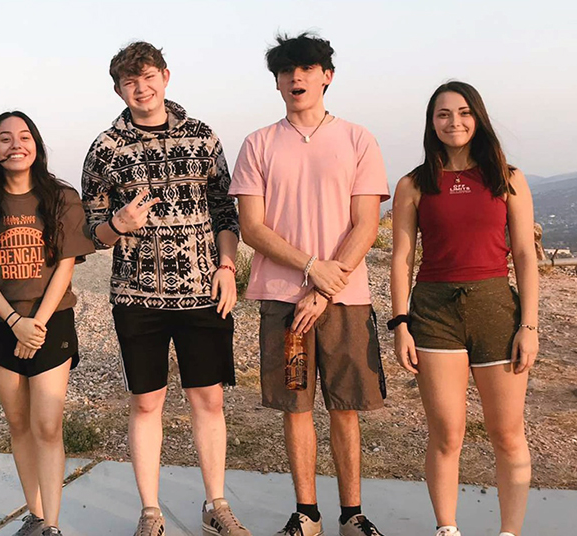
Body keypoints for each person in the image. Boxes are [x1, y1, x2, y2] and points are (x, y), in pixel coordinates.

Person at [81, 41, 250, 536]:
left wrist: (226, 266)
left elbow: (225, 211)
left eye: (148, 76)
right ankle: (150, 512)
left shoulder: (202, 137)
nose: (141, 88)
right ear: (119, 89)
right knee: (146, 403)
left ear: (166, 77)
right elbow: (92, 230)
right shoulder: (105, 148)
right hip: (136, 296)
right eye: (130, 81)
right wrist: (117, 224)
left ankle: (216, 505)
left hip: (203, 291)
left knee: (208, 400)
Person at [230, 33, 389, 536]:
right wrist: (310, 268)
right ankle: (308, 513)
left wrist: (325, 284)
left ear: (327, 76)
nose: (296, 77)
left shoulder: (358, 139)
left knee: (346, 407)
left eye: (306, 68)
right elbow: (252, 227)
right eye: (286, 70)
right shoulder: (258, 143)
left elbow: (367, 224)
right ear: (277, 82)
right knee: (295, 406)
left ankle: (352, 514)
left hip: (344, 298)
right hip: (283, 299)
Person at [389, 81, 538, 536]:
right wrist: (400, 322)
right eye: (443, 114)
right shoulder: (413, 184)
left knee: (507, 434)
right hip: (434, 312)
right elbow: (402, 257)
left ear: (478, 118)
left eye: (464, 112)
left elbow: (525, 255)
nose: (454, 121)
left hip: (496, 307)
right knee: (447, 434)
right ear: (432, 123)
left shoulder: (508, 178)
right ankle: (447, 528)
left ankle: (509, 532)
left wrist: (529, 325)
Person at [0, 111, 94, 536]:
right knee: (19, 424)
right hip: (0, 323)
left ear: (36, 144)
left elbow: (66, 264)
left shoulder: (61, 197)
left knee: (47, 426)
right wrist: (15, 321)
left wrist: (35, 324)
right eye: (4, 138)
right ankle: (34, 516)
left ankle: (52, 525)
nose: (15, 144)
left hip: (51, 321)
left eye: (23, 136)